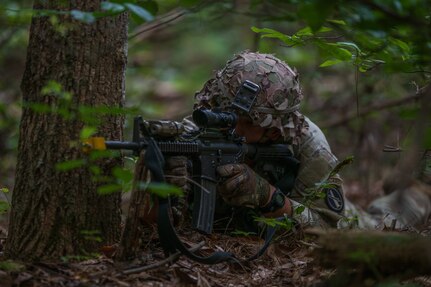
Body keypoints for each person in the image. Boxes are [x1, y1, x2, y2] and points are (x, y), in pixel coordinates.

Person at [165, 51, 431, 233]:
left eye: (247, 123)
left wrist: (269, 198)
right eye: (226, 114)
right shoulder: (199, 133)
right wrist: (165, 184)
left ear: (273, 131)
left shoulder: (308, 145)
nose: (232, 127)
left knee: (379, 223)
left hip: (344, 219)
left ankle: (415, 194)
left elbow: (328, 227)